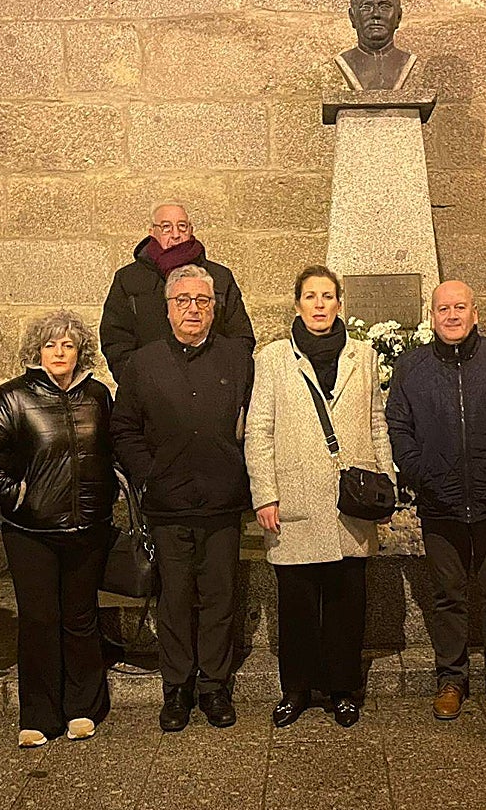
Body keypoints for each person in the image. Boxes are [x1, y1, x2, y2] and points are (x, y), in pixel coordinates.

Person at [386, 280, 486, 721]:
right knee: (448, 595)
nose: (452, 315)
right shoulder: (411, 367)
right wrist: (420, 473)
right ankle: (451, 678)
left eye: (460, 307)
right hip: (441, 501)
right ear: (431, 316)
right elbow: (398, 426)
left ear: (475, 313)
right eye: (443, 309)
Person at [244, 265, 395, 728]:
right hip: (295, 498)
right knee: (297, 603)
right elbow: (258, 430)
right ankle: (296, 689)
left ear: (339, 304)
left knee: (348, 601)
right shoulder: (272, 358)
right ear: (297, 303)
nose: (319, 305)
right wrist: (265, 494)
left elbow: (376, 423)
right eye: (310, 296)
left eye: (327, 296)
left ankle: (343, 689)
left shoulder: (363, 356)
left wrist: (385, 481)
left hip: (351, 500)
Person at [111, 265, 254, 733]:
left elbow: (255, 423)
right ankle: (177, 687)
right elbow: (124, 429)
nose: (193, 309)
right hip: (167, 504)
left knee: (219, 597)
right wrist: (149, 474)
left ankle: (214, 684)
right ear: (167, 309)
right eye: (183, 301)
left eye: (202, 301)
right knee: (173, 600)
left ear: (215, 308)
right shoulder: (143, 363)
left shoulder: (237, 358)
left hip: (221, 501)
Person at [0, 310, 116, 748]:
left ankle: (83, 708)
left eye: (68, 345)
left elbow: (111, 447)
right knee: (39, 620)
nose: (59, 353)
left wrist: (111, 493)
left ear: (80, 351)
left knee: (81, 618)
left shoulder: (97, 396)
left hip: (87, 528)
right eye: (51, 345)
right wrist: (12, 492)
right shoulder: (14, 397)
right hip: (30, 531)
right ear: (36, 352)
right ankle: (39, 715)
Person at [100, 202, 254, 384]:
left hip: (210, 386)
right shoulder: (129, 279)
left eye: (182, 226)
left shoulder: (219, 277)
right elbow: (115, 338)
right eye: (166, 227)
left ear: (191, 230)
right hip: (148, 389)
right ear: (152, 232)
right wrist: (138, 381)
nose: (175, 235)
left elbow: (240, 336)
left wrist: (221, 380)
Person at [335, 0, 416, 90]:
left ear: (398, 17)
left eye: (384, 7)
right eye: (366, 7)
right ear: (353, 17)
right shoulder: (345, 61)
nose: (376, 14)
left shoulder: (406, 61)